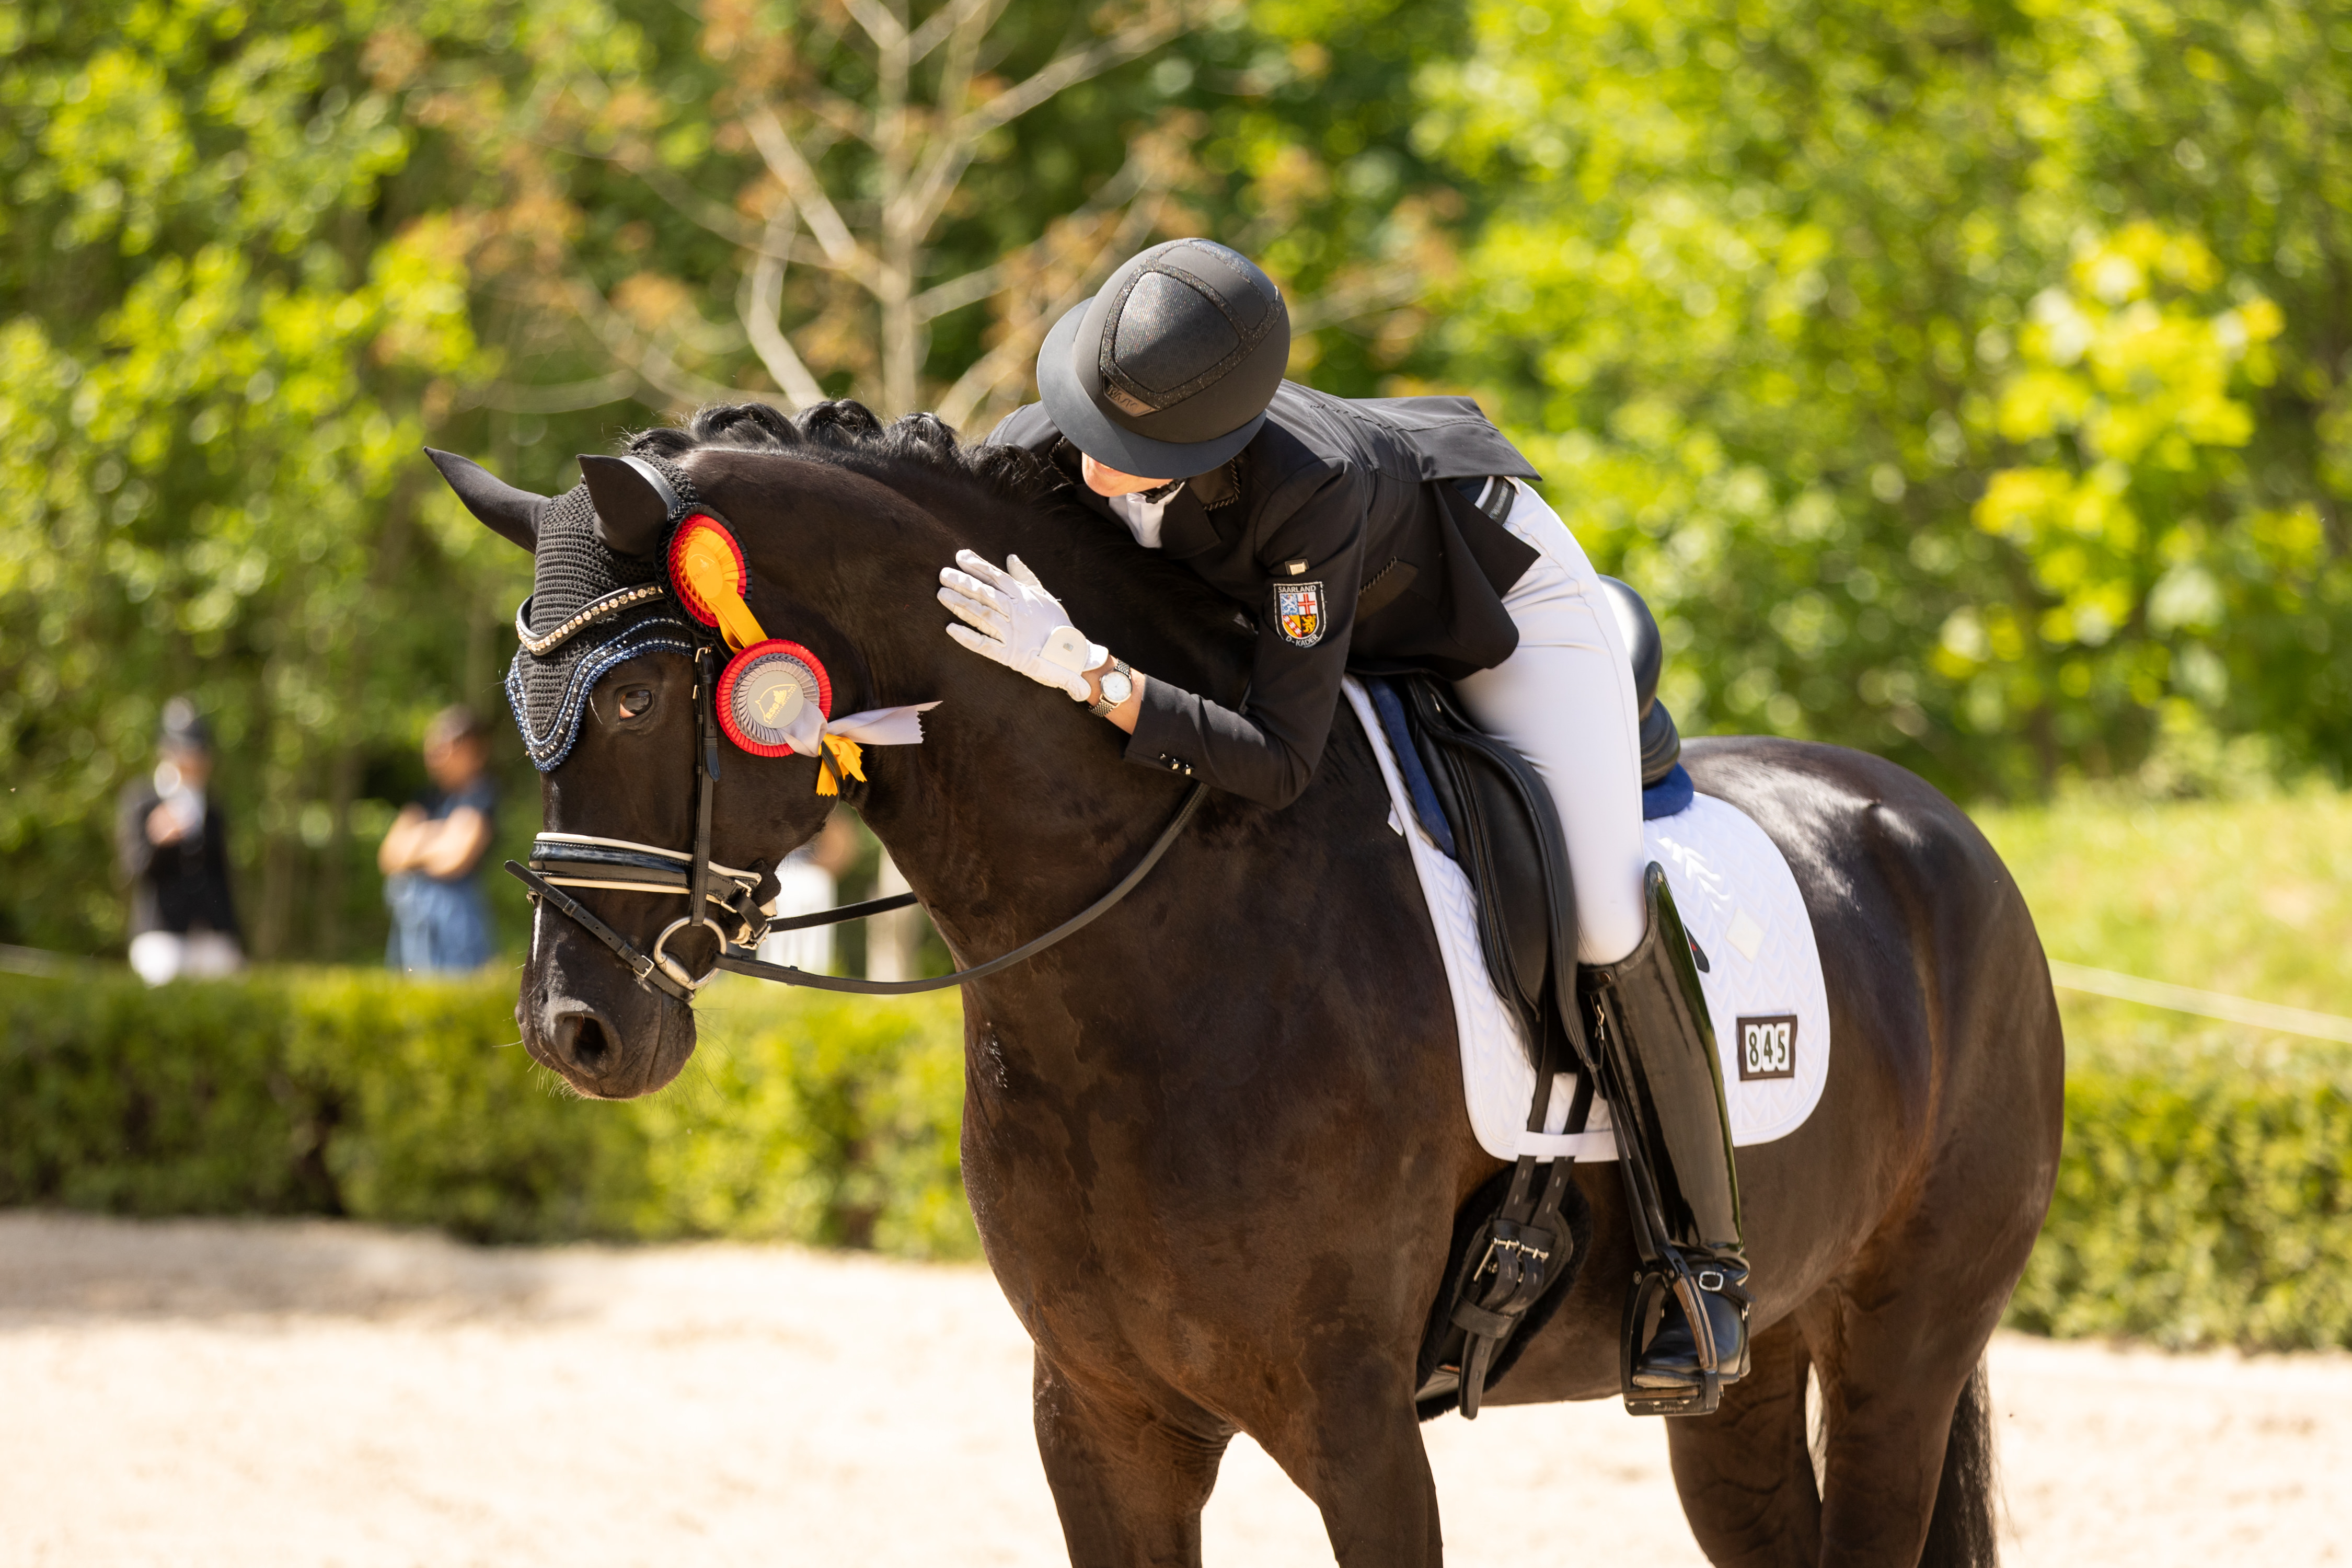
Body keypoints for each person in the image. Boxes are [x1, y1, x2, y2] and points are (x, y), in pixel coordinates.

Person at [941, 238, 1750, 1402]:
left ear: (1210, 444)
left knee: (1603, 914)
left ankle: (1700, 1266)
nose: (1094, 466)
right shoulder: (1047, 448)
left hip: (1488, 611)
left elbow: (1277, 758)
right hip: (1293, 622)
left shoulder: (1301, 485)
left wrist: (1096, 678)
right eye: (1087, 427)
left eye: (1132, 455)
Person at [117, 698, 246, 985]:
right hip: (161, 931)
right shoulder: (142, 801)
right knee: (163, 975)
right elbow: (132, 871)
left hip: (209, 933)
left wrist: (233, 936)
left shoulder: (212, 809)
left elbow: (222, 878)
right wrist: (158, 843)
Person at [379, 706, 498, 973]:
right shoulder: (426, 796)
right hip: (411, 923)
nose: (434, 756)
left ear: (470, 749)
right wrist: (442, 834)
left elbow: (455, 861)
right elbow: (388, 856)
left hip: (456, 923)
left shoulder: (481, 794)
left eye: (444, 746)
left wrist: (418, 839)